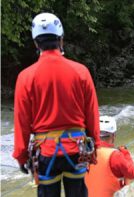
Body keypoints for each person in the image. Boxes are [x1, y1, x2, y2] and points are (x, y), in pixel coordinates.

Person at [13, 13, 101, 197]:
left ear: (36, 43)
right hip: (76, 149)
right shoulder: (81, 72)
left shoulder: (25, 77)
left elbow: (22, 121)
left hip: (46, 152)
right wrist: (96, 146)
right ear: (61, 39)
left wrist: (21, 156)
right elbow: (91, 113)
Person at [85, 116, 134, 197]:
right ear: (113, 136)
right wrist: (125, 153)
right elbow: (132, 174)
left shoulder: (85, 151)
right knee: (127, 177)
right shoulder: (116, 155)